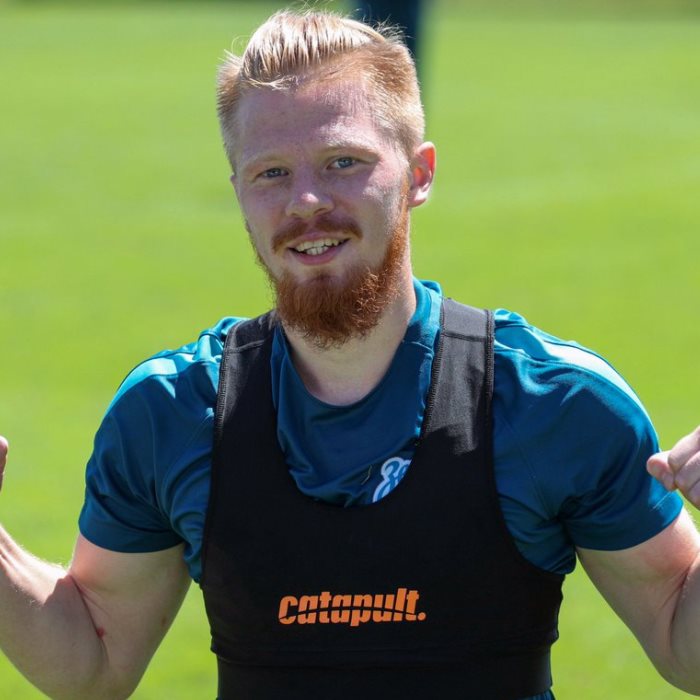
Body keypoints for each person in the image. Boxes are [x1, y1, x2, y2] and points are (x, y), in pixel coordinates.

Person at [0, 8, 699, 700]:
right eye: (271, 172)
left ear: (418, 174)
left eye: (343, 162)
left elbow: (680, 640)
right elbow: (91, 665)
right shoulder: (172, 412)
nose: (306, 201)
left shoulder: (553, 403)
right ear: (239, 192)